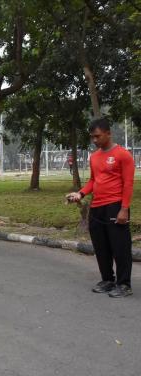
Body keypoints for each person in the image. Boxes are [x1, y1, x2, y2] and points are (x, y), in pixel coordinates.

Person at [66, 118, 135, 298]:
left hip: (116, 206)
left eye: (97, 136)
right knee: (101, 246)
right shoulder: (94, 156)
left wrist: (124, 209)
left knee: (120, 247)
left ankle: (124, 284)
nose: (95, 140)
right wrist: (79, 194)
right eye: (92, 137)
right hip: (97, 208)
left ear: (108, 133)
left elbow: (128, 184)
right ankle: (107, 279)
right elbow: (93, 181)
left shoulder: (123, 155)